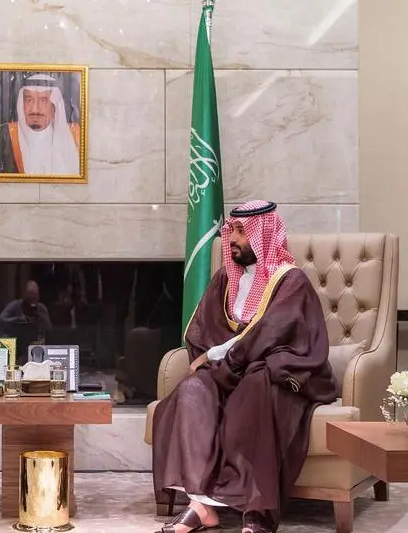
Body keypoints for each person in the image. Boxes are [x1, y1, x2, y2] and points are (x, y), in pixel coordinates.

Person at [151, 200, 338, 533]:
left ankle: (256, 508)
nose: (233, 239)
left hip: (276, 372)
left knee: (254, 389)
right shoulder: (226, 278)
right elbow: (205, 328)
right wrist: (214, 360)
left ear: (262, 234)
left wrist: (220, 357)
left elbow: (272, 333)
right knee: (192, 390)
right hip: (229, 370)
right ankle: (201, 505)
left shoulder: (290, 280)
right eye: (231, 231)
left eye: (241, 231)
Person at [0, 73, 80, 174]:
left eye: (43, 100)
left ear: (54, 105)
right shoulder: (6, 135)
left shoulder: (75, 135)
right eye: (29, 100)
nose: (35, 109)